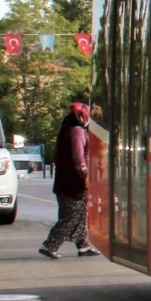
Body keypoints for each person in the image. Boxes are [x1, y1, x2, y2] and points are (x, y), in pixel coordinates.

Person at [39, 100, 97, 258]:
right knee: (71, 216)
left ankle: (83, 246)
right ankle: (50, 245)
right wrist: (84, 176)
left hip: (64, 181)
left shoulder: (66, 131)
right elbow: (79, 158)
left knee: (80, 213)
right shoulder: (77, 131)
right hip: (73, 182)